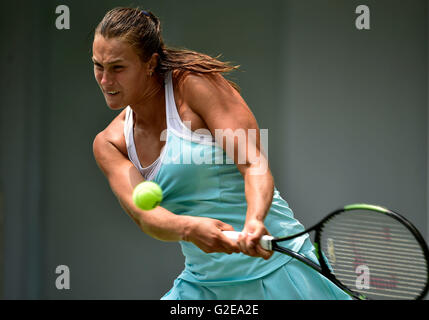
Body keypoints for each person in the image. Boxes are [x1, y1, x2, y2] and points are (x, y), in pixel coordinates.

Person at [92, 7, 350, 300]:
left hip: (282, 271)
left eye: (117, 68)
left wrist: (254, 220)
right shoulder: (109, 143)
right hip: (202, 288)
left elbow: (253, 163)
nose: (105, 80)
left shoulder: (196, 87)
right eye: (98, 66)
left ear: (150, 63)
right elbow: (145, 216)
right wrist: (190, 228)